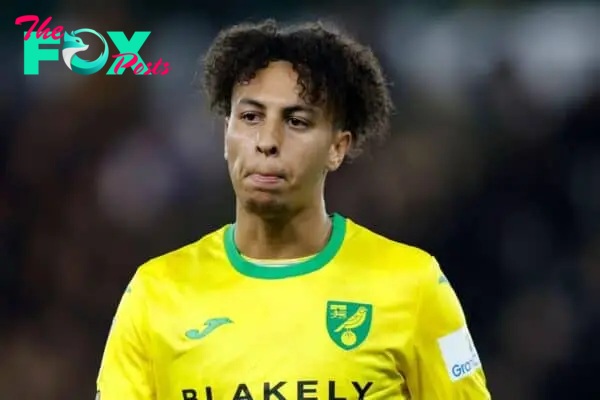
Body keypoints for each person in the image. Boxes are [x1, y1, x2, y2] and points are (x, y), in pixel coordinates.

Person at [96, 19, 491, 400]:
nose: (267, 141)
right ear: (226, 134)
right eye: (250, 117)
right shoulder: (155, 293)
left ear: (338, 147)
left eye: (297, 121)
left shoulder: (413, 286)